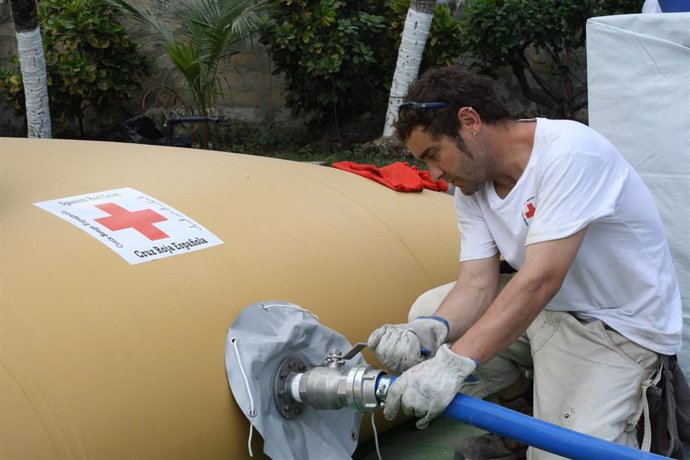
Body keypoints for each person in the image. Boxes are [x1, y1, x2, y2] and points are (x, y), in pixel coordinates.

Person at [367, 66, 684, 459]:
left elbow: (540, 278)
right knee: (428, 311)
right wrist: (430, 331)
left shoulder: (569, 152)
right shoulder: (473, 190)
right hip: (547, 312)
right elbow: (476, 284)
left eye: (433, 154)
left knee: (560, 453)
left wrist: (453, 363)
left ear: (470, 121)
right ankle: (522, 416)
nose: (435, 174)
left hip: (615, 328)